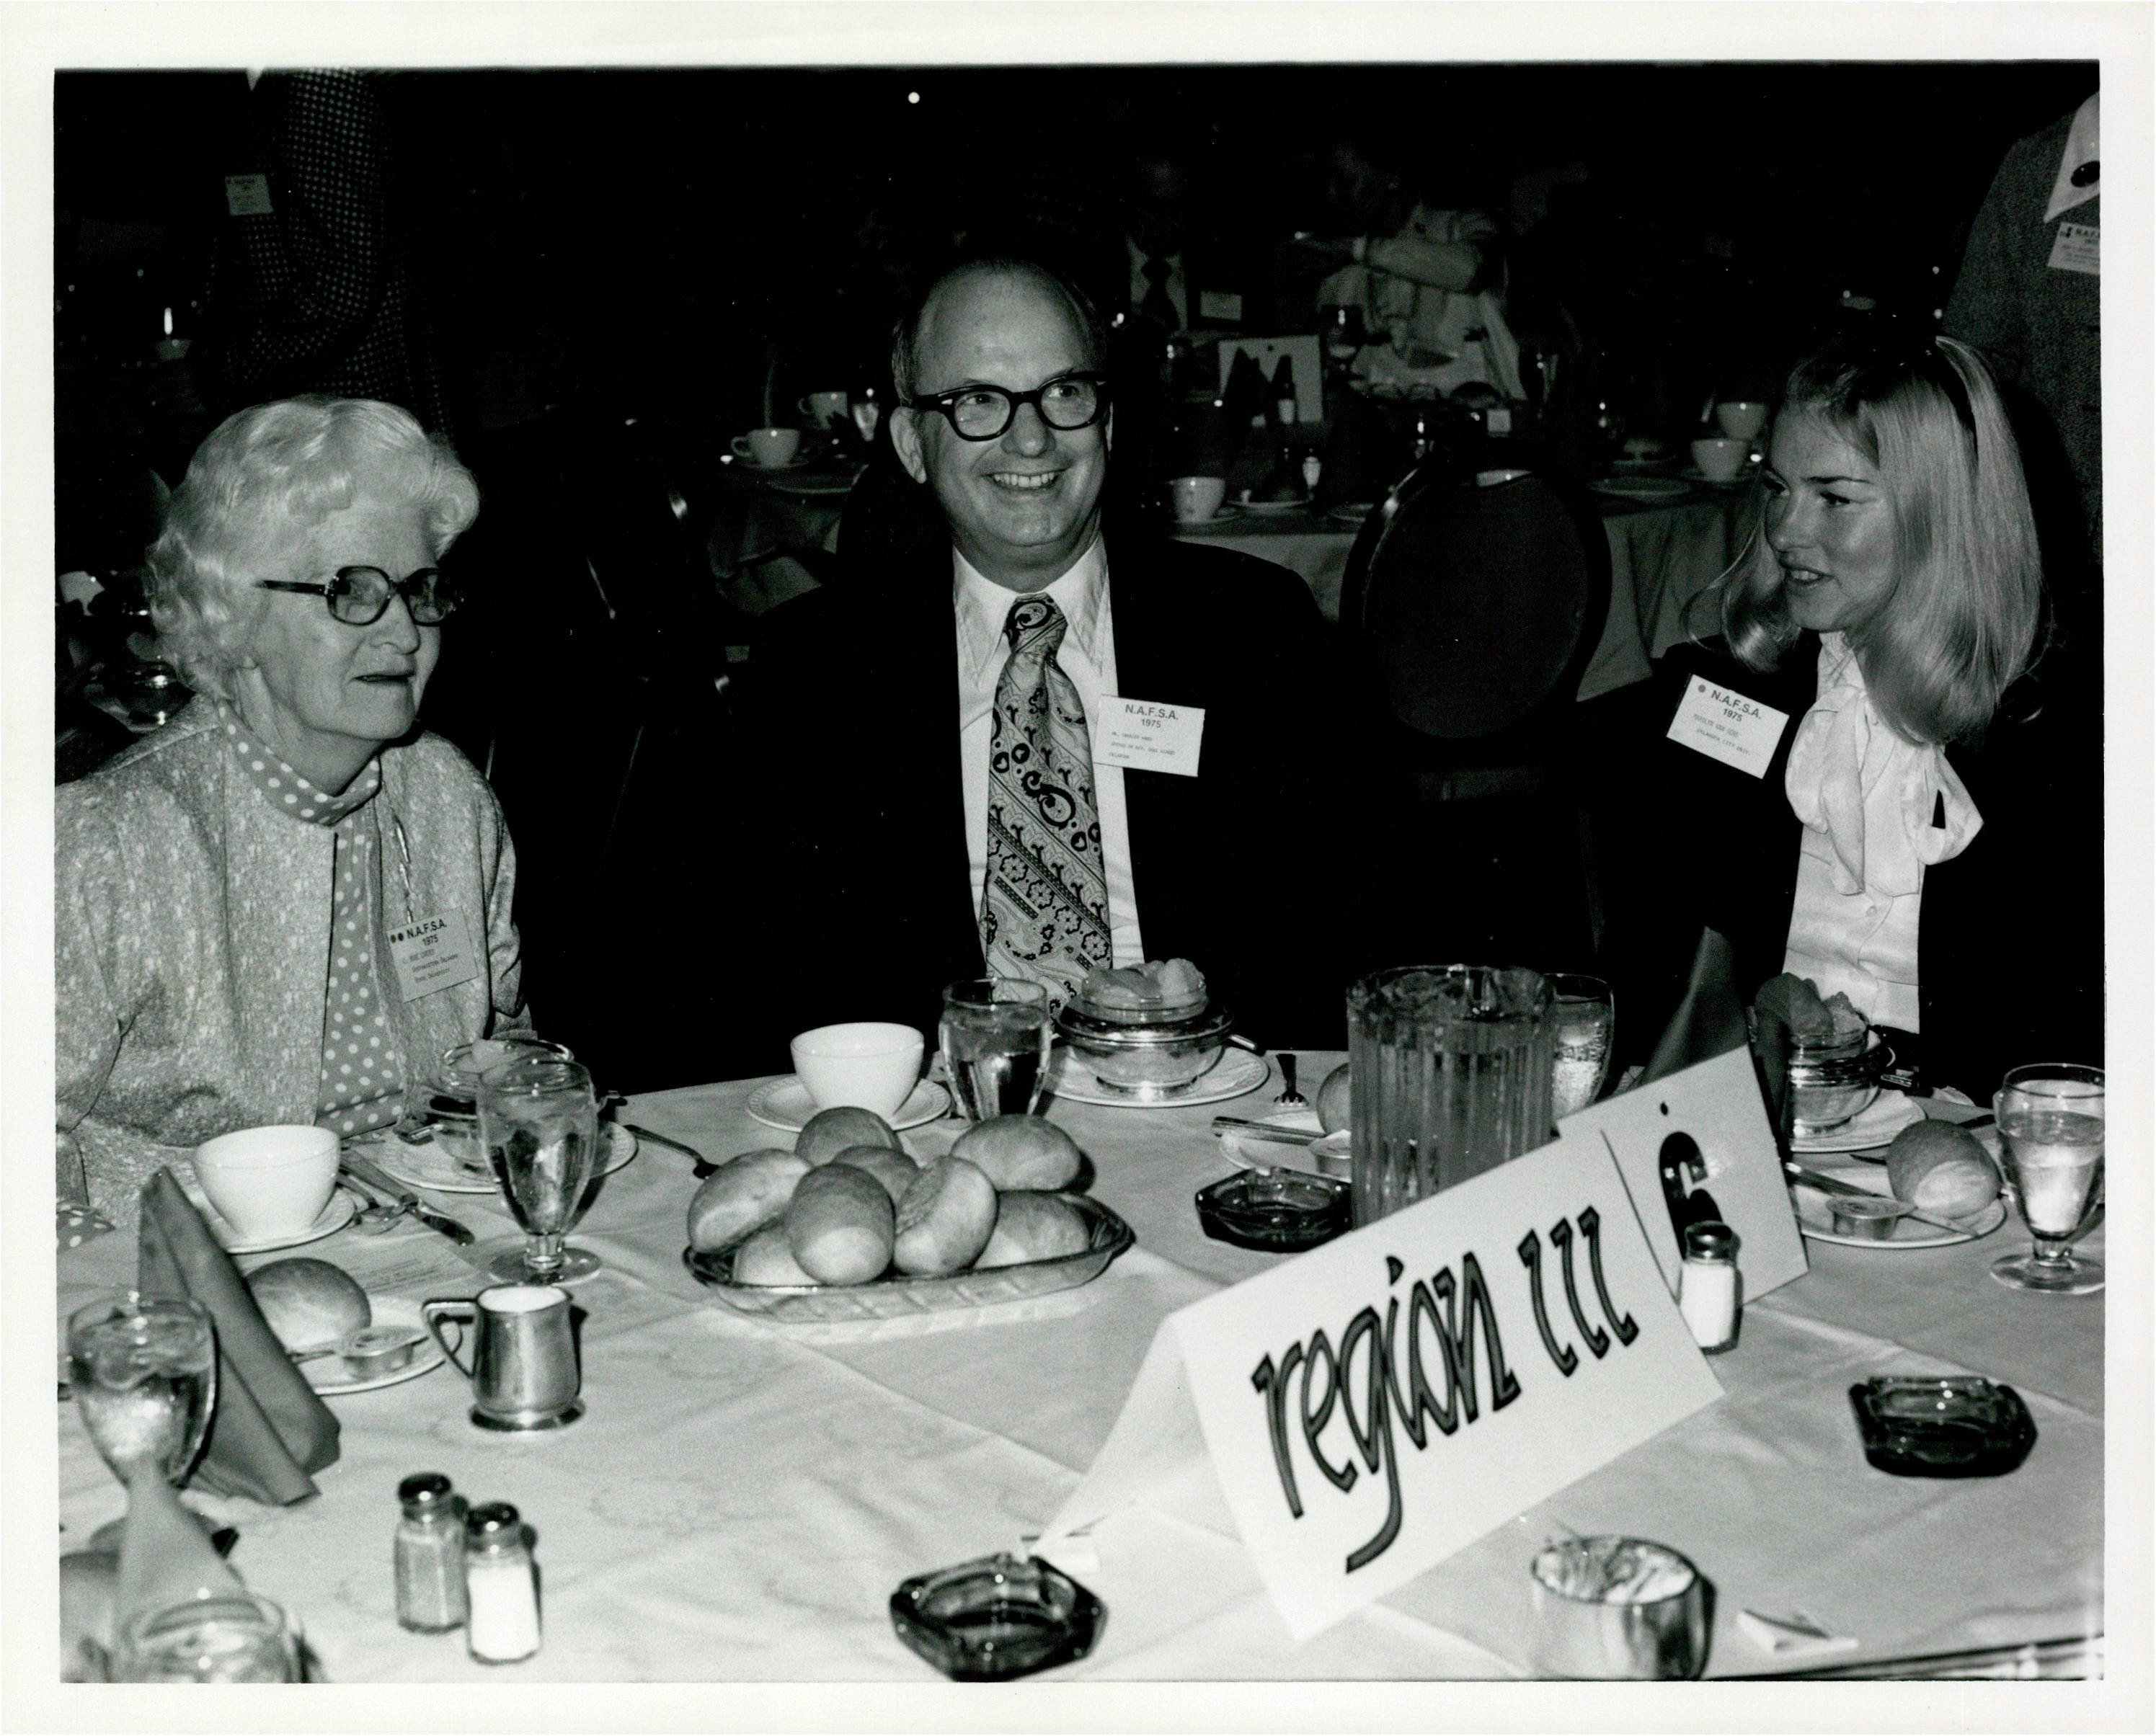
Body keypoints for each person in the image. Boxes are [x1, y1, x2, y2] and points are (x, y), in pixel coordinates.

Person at [743, 257, 1370, 1054]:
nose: (1031, 436)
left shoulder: (1255, 629)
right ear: (911, 443)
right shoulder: (814, 667)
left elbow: (1341, 930)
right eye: (977, 400)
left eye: (1065, 392)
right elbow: (780, 971)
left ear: (1107, 422)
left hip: (1200, 1092)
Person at [56, 397, 529, 1226]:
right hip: (188, 1273)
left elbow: (506, 1050)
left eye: (421, 592)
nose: (404, 635)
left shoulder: (449, 799)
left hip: (432, 1235)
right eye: (352, 592)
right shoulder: (112, 840)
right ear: (232, 614)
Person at [1622, 328, 2098, 1103]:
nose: (1784, 532)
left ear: (1944, 513)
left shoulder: (2058, 729)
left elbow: (2070, 1027)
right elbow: (1662, 974)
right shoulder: (1729, 693)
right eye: (1776, 488)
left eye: (1834, 498)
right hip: (1764, 1109)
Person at [1303, 138, 1524, 401]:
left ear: (1392, 177)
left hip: (1477, 423)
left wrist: (1360, 250)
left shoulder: (1461, 227)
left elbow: (1471, 270)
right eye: (1327, 182)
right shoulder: (1344, 270)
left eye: (1346, 181)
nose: (1332, 194)